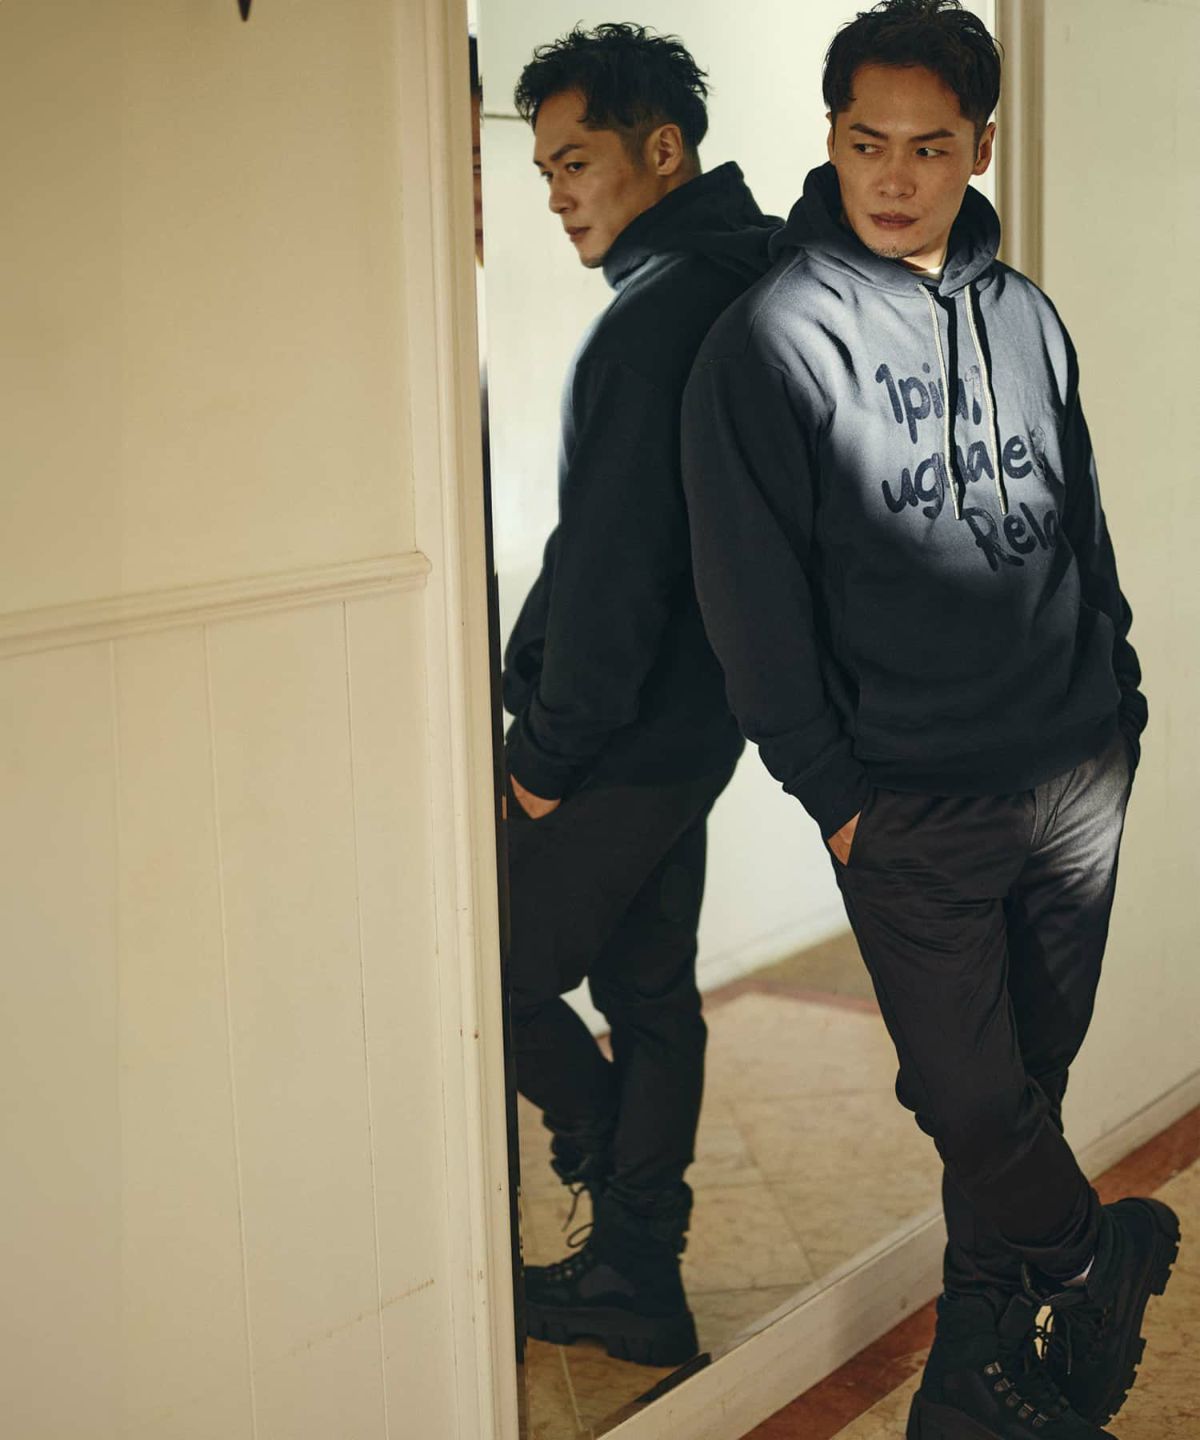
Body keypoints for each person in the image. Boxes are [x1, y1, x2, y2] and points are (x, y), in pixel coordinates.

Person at [681, 3, 1178, 1435]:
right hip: (910, 800)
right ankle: (1090, 1262)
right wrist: (837, 798)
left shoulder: (1026, 316)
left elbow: (1081, 527)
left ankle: (971, 1386)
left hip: (1074, 772)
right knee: (969, 1101)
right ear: (831, 139)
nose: (893, 177)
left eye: (929, 147)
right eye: (865, 143)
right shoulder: (767, 345)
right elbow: (750, 609)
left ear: (980, 146)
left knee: (1025, 1091)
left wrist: (1120, 702)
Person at [500, 23, 777, 1366]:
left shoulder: (653, 320)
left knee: (482, 970)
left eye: (577, 161)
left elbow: (612, 570)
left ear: (662, 150)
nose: (557, 194)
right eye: (545, 170)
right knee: (653, 992)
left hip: (618, 735)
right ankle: (636, 1283)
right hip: (701, 723)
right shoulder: (761, 279)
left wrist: (545, 754)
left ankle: (610, 1176)